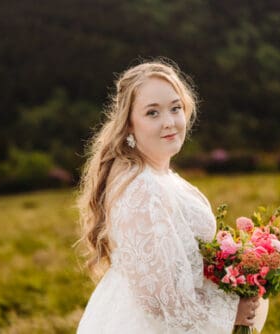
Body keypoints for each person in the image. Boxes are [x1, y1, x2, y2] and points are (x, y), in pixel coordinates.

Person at [75, 59, 262, 333]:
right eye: (153, 113)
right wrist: (231, 313)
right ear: (128, 125)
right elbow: (160, 302)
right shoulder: (142, 188)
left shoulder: (159, 175)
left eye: (175, 108)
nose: (169, 122)